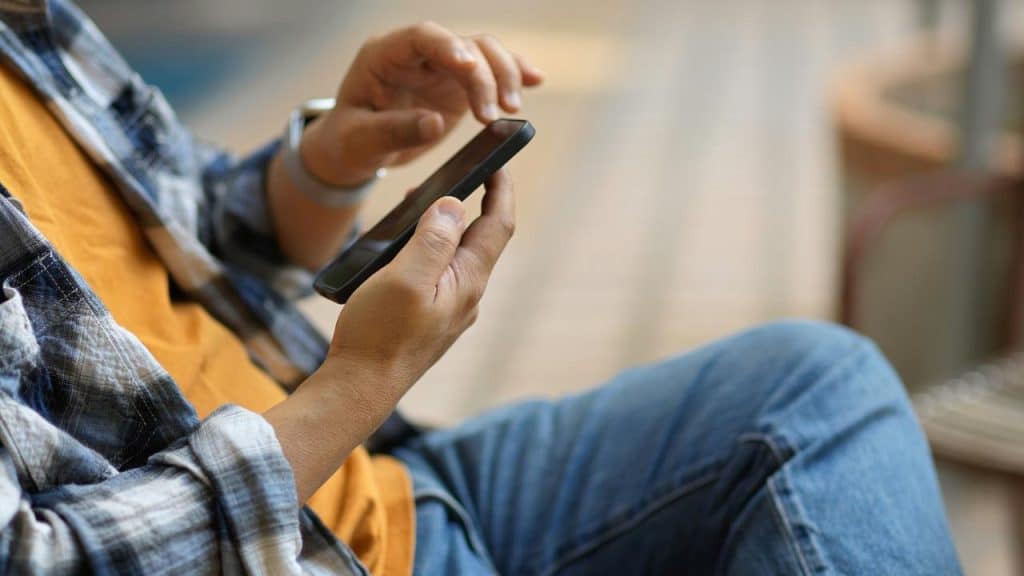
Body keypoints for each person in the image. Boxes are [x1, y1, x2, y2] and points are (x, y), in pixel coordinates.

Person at [0, 1, 961, 574]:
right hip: (310, 536)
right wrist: (357, 387)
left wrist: (329, 163)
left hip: (390, 492)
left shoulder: (29, 30)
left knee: (815, 386)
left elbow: (187, 225)